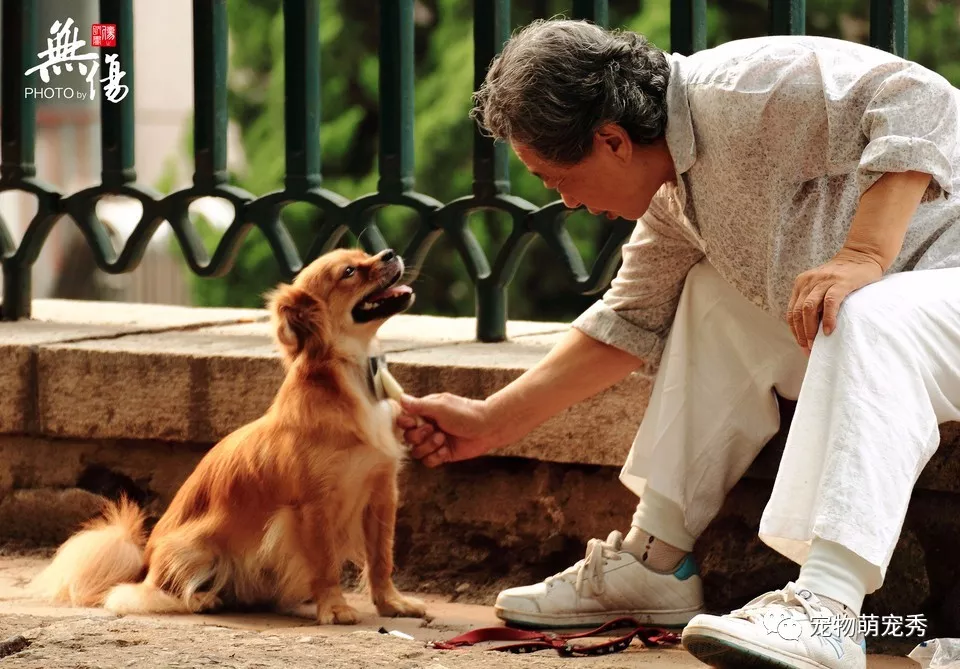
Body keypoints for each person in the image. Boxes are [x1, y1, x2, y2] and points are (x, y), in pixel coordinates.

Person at [396, 19, 960, 669]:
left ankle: (827, 607)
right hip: (916, 315)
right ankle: (656, 560)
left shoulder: (742, 91)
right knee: (713, 295)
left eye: (555, 178)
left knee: (863, 308)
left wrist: (865, 253)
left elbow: (924, 97)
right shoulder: (677, 194)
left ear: (611, 140)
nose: (567, 203)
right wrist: (489, 422)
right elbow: (626, 323)